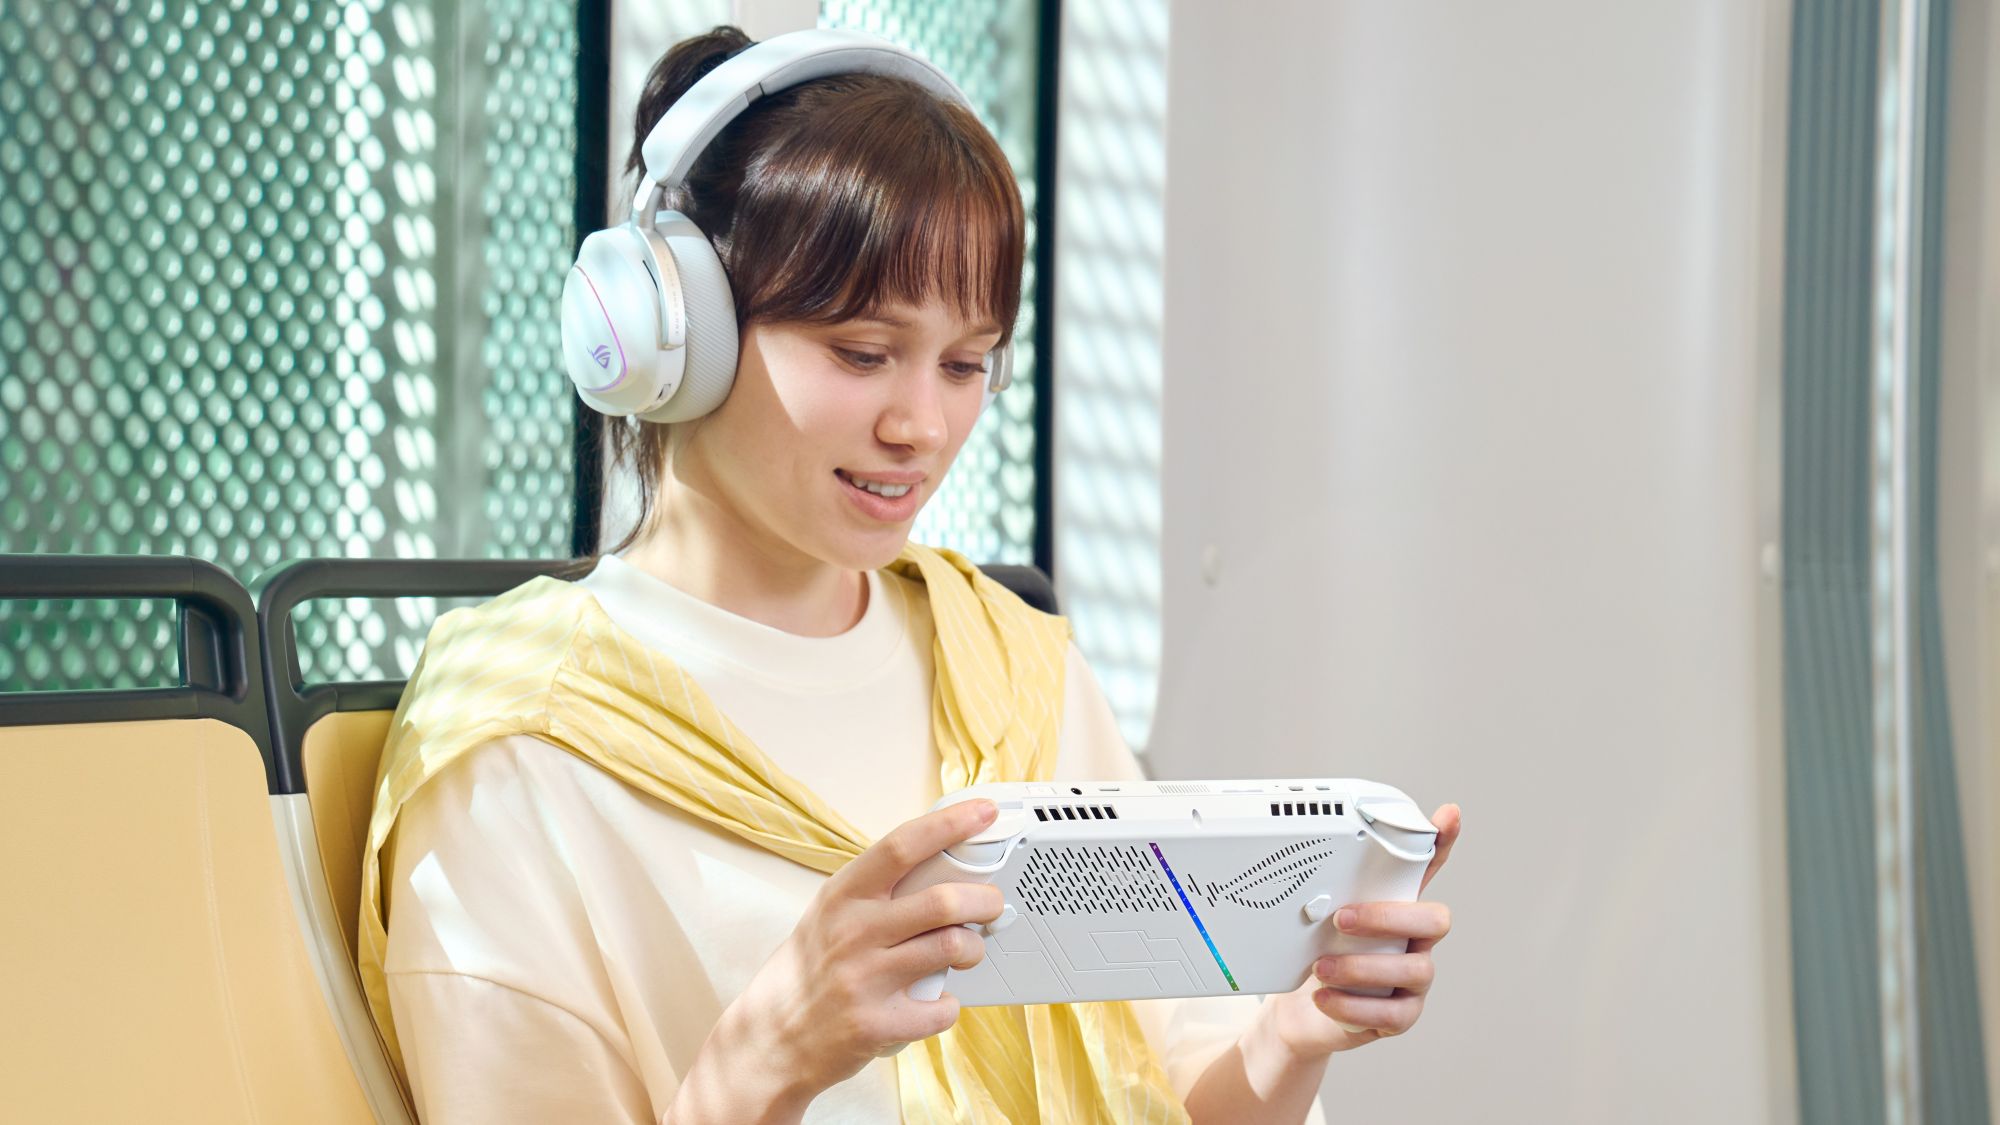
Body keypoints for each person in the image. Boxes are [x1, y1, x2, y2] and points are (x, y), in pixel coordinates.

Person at [358, 25, 1460, 1124]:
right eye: (860, 352)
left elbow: (1164, 1088)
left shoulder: (1011, 667)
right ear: (672, 335)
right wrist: (763, 1063)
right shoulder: (521, 741)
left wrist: (1292, 1035)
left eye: (964, 364)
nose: (920, 425)